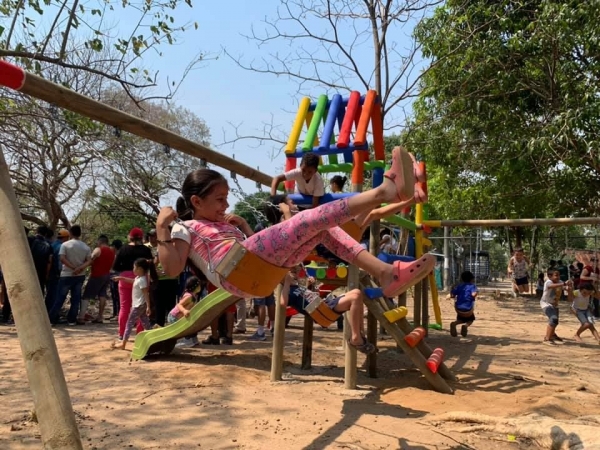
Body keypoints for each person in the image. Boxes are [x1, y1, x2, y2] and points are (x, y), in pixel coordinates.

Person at [157, 148, 433, 304]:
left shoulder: (226, 225)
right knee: (307, 218)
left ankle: (385, 273)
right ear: (196, 200)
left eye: (226, 198)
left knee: (320, 227)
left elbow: (263, 247)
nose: (226, 205)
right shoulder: (186, 227)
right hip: (235, 272)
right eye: (219, 200)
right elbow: (172, 269)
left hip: (260, 272)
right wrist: (162, 228)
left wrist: (241, 224)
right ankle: (384, 192)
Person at [280, 265, 376, 354]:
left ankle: (360, 333)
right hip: (322, 313)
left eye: (294, 273)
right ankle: (355, 337)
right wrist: (287, 284)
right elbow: (283, 304)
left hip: (324, 305)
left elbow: (307, 297)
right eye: (291, 273)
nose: (294, 275)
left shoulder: (297, 287)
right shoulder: (288, 291)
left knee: (357, 292)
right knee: (354, 298)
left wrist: (310, 285)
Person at [112, 228, 154, 339]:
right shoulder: (146, 250)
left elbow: (115, 266)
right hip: (142, 279)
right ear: (141, 237)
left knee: (124, 307)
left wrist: (125, 269)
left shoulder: (123, 249)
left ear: (129, 237)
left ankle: (122, 333)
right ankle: (140, 333)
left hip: (124, 278)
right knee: (141, 307)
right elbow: (151, 265)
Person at [49, 225, 92, 325]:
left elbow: (62, 258)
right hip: (79, 275)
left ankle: (51, 319)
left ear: (71, 233)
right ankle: (72, 320)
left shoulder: (65, 245)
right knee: (76, 298)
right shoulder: (85, 247)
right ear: (80, 234)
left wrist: (73, 268)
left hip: (66, 275)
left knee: (60, 298)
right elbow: (89, 261)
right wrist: (79, 268)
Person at [112, 258, 155, 349]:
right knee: (146, 323)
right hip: (140, 305)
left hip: (139, 305)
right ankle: (153, 339)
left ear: (140, 269)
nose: (133, 269)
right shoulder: (139, 278)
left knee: (129, 324)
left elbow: (145, 293)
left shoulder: (142, 280)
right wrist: (121, 278)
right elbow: (134, 282)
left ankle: (123, 344)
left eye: (134, 268)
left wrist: (148, 306)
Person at [81, 235, 115, 324]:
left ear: (100, 241)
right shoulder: (112, 252)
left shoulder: (98, 249)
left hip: (97, 274)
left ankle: (81, 316)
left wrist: (81, 267)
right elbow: (112, 265)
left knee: (86, 295)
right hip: (106, 274)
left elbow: (91, 259)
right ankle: (100, 316)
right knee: (102, 295)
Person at [166, 276, 203, 347]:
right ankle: (187, 340)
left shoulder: (194, 296)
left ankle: (193, 339)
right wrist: (184, 310)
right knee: (184, 328)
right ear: (195, 286)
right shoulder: (189, 296)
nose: (200, 287)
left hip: (180, 317)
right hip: (174, 317)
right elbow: (179, 305)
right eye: (199, 285)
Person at [540, 268, 568, 346]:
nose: (558, 277)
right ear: (549, 276)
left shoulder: (560, 282)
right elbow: (551, 286)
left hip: (554, 304)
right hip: (546, 303)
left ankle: (552, 335)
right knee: (553, 319)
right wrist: (564, 284)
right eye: (556, 275)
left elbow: (565, 288)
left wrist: (569, 286)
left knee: (555, 322)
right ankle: (547, 339)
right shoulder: (548, 282)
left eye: (559, 275)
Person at [44, 228, 69, 312]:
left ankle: (47, 312)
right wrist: (60, 273)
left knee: (49, 294)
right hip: (56, 274)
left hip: (49, 273)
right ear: (65, 237)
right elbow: (59, 263)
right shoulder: (61, 246)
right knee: (55, 295)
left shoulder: (52, 244)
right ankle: (52, 314)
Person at [449, 271, 478, 337]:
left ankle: (454, 323)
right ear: (471, 279)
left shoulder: (459, 286)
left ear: (462, 279)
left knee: (460, 319)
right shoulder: (472, 286)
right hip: (468, 309)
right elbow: (473, 295)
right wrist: (476, 292)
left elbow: (452, 295)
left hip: (459, 309)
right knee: (471, 319)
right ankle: (465, 326)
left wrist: (452, 289)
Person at [29, 225, 54, 293]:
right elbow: (49, 261)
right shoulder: (48, 245)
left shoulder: (29, 239)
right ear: (45, 234)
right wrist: (47, 274)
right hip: (41, 271)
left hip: (28, 268)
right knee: (39, 289)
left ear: (36, 231)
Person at [109, 239, 123, 319]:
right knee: (117, 295)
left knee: (116, 295)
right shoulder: (123, 253)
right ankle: (117, 313)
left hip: (115, 276)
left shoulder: (117, 255)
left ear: (114, 246)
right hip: (121, 276)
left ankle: (117, 313)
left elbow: (113, 266)